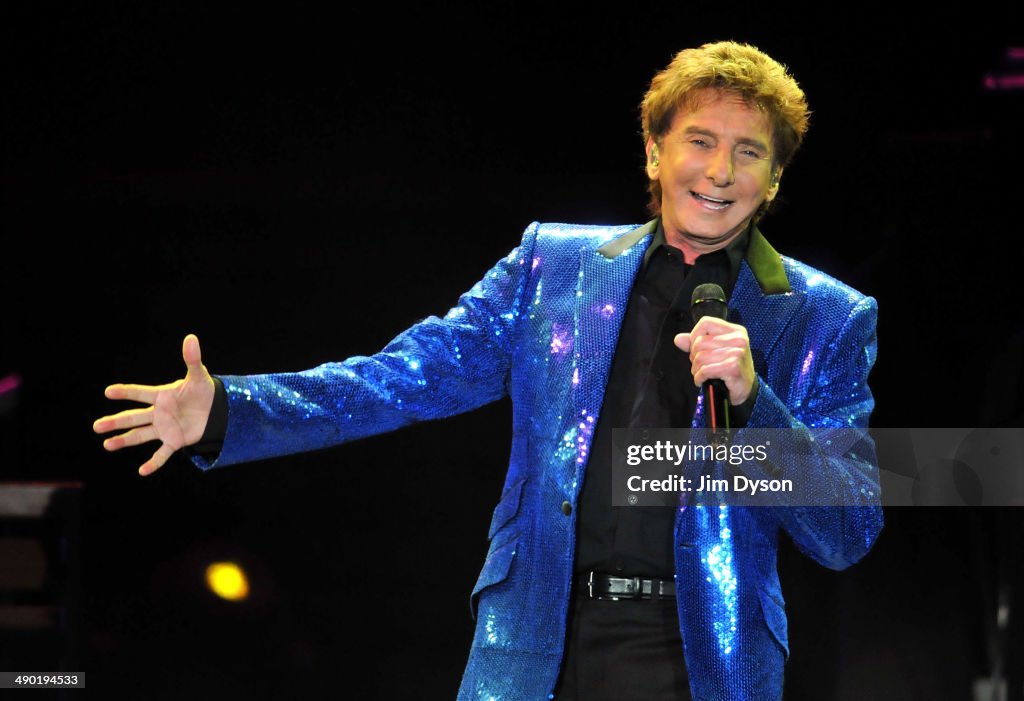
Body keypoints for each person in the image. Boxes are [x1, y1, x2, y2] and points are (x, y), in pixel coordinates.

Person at [94, 41, 883, 701]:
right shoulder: (553, 264)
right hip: (538, 643)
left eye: (749, 152)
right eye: (700, 141)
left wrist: (755, 401)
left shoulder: (825, 314)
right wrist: (233, 409)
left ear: (774, 179)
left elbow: (848, 525)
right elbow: (404, 375)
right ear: (655, 149)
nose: (719, 170)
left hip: (704, 658)